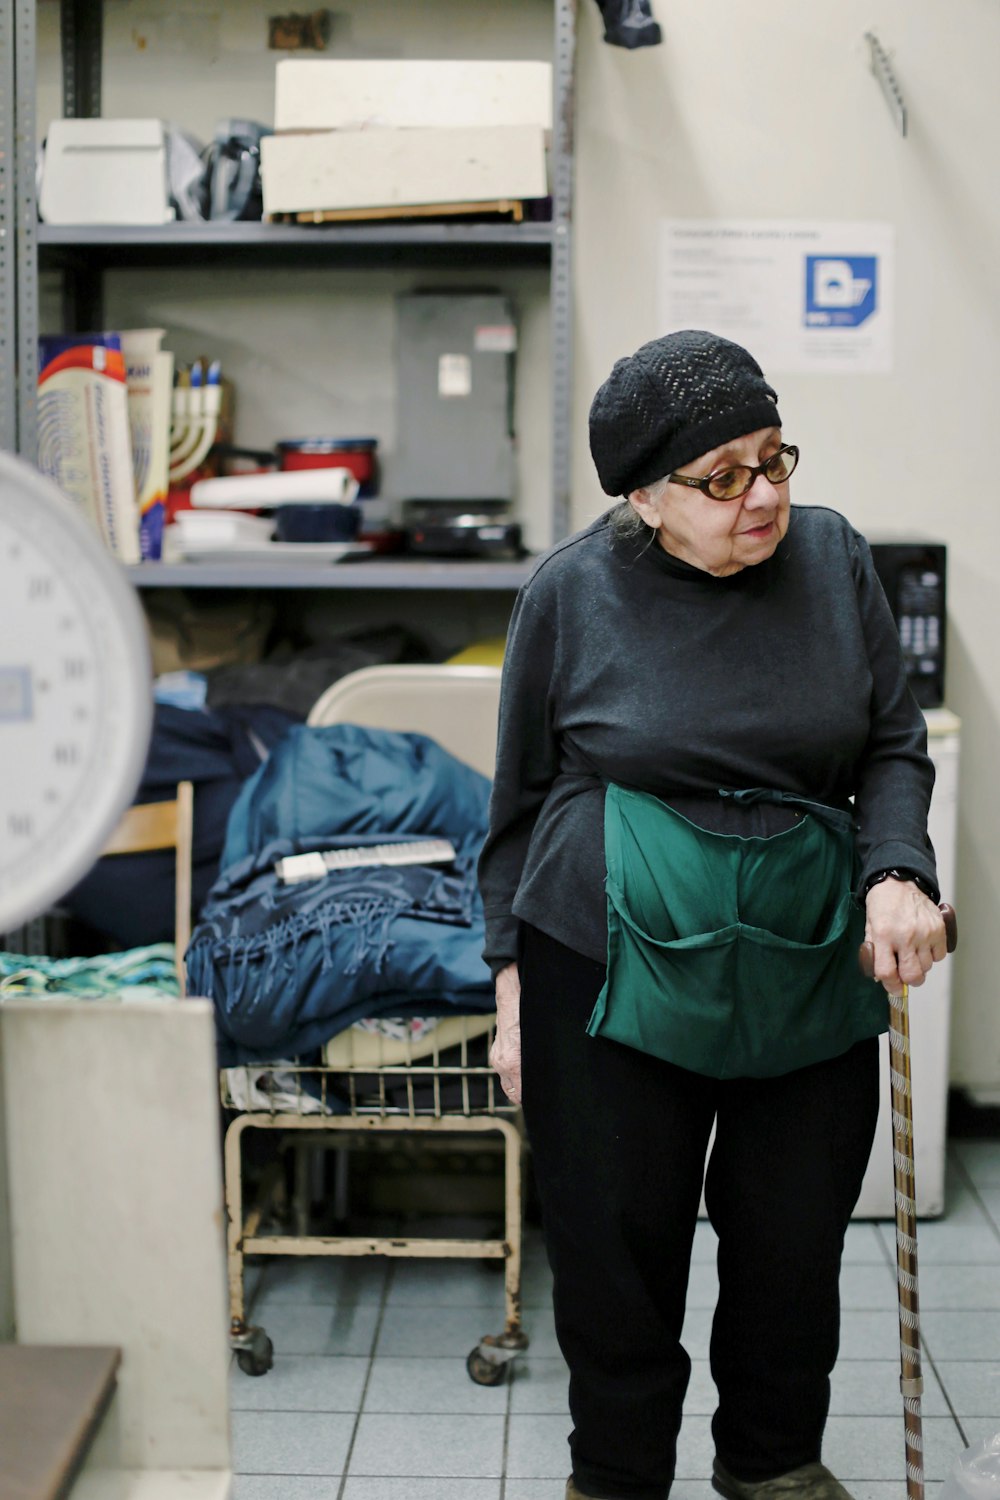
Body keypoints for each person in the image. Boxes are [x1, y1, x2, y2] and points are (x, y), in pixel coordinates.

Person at [477, 329, 948, 1500]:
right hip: (603, 958)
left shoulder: (833, 560)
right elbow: (518, 809)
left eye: (775, 458)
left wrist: (898, 870)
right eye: (724, 476)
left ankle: (772, 1467)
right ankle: (620, 1477)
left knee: (791, 1245)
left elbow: (892, 746)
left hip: (804, 951)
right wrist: (509, 989)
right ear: (644, 495)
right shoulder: (571, 593)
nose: (766, 494)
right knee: (616, 1252)